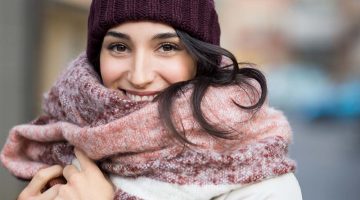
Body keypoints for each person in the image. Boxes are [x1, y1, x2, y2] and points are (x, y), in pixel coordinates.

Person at [1, 0, 302, 199]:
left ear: (201, 57)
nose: (140, 75)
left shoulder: (259, 179)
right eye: (119, 47)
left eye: (167, 47)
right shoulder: (66, 143)